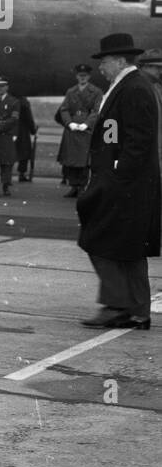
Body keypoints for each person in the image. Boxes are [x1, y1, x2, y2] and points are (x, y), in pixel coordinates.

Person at [77, 33, 160, 330]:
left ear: (120, 61)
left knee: (97, 239)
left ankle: (116, 306)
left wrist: (116, 170)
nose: (101, 68)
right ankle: (138, 311)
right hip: (125, 181)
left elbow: (139, 138)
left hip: (124, 184)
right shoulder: (126, 86)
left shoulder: (134, 88)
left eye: (105, 62)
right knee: (130, 249)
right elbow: (114, 132)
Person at [55, 64, 102, 198]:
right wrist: (69, 123)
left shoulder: (96, 92)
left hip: (85, 130)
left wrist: (87, 124)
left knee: (84, 161)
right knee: (71, 160)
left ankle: (82, 186)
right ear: (76, 76)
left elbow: (96, 110)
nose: (82, 78)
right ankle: (73, 186)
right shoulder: (71, 91)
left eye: (85, 76)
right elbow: (64, 109)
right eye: (80, 76)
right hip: (72, 129)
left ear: (89, 76)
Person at [133, 49, 162, 170]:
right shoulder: (138, 86)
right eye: (157, 68)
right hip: (147, 153)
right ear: (145, 67)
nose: (161, 71)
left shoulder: (156, 86)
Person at [14, 91, 38, 182]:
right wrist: (33, 130)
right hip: (22, 131)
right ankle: (21, 174)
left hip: (11, 130)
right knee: (24, 153)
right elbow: (29, 118)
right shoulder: (23, 102)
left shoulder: (10, 100)